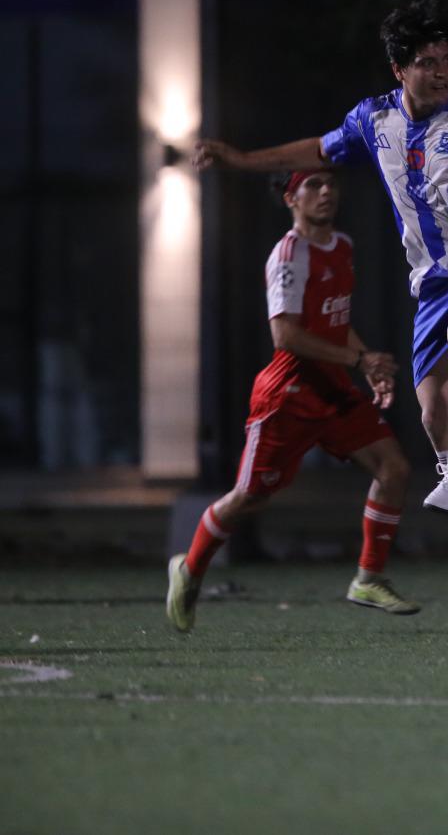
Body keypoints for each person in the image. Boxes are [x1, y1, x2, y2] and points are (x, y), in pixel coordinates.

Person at [193, 0, 448, 608]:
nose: (442, 72)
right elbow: (318, 150)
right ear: (398, 70)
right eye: (427, 62)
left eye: (447, 60)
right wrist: (243, 160)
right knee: (433, 414)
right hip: (432, 286)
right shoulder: (373, 121)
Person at [166, 169, 417, 632]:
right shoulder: (288, 255)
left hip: (334, 388)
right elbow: (285, 336)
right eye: (313, 186)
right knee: (250, 496)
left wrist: (368, 366)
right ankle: (190, 567)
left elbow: (335, 321)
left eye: (332, 184)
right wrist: (358, 360)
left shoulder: (342, 247)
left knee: (395, 468)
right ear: (291, 199)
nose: (326, 192)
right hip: (289, 394)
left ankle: (369, 576)